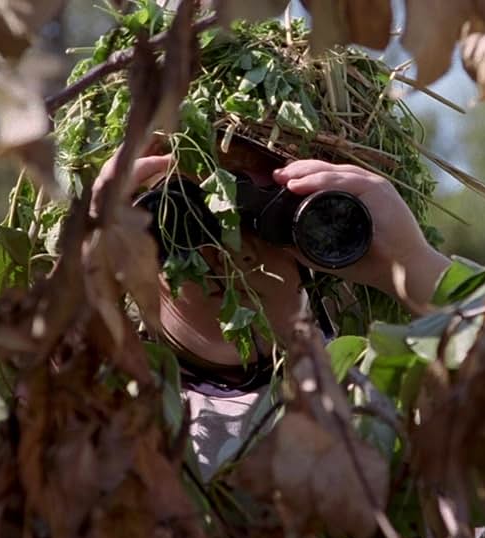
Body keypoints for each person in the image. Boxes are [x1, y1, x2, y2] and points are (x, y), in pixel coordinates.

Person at [98, 146, 452, 480]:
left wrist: (415, 267)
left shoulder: (377, 392)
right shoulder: (95, 401)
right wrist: (81, 287)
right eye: (180, 225)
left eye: (264, 226)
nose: (231, 255)